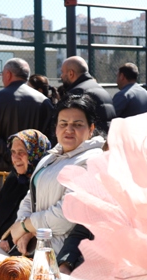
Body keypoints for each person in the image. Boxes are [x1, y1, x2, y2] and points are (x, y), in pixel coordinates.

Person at [6, 94, 106, 258]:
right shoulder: (50, 157)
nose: (69, 129)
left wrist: (25, 226)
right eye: (63, 123)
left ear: (91, 129)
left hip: (63, 256)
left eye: (78, 124)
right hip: (37, 248)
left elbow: (65, 215)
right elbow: (31, 197)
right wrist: (26, 230)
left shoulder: (92, 161)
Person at [0, 129, 51, 250]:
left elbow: (37, 227)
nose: (15, 158)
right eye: (13, 152)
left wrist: (8, 244)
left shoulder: (43, 184)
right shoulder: (14, 178)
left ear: (35, 153)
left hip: (18, 253)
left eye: (21, 152)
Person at [0, 58, 54, 172]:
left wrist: (11, 154)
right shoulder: (43, 101)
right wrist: (29, 156)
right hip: (35, 169)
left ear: (8, 74)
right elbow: (51, 135)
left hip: (2, 169)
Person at [58, 56, 116, 132]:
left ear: (71, 73)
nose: (61, 76)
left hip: (89, 141)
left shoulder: (77, 93)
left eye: (62, 72)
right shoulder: (102, 90)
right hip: (106, 140)